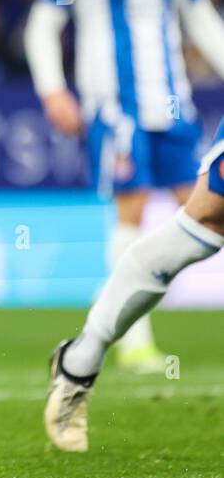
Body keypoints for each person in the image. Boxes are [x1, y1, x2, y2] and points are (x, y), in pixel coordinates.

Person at [24, 0, 224, 373]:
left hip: (174, 103)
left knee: (207, 211)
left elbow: (199, 17)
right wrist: (51, 87)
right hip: (116, 109)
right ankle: (133, 342)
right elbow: (44, 24)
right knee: (131, 211)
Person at [45, 117, 224, 451]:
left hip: (169, 108)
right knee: (207, 217)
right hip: (121, 111)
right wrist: (51, 85)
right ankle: (79, 364)